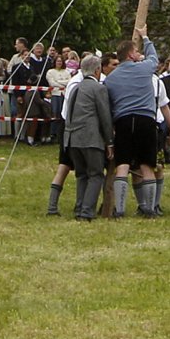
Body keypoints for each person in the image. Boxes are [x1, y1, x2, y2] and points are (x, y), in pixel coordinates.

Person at [104, 37, 165, 220]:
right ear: (131, 54)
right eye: (137, 51)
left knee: (122, 165)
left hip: (122, 121)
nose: (140, 54)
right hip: (145, 121)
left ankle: (120, 210)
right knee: (147, 165)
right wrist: (146, 38)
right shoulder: (143, 68)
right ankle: (150, 209)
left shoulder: (110, 79)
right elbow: (154, 59)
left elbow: (110, 104)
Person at [53, 51, 113, 221]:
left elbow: (68, 114)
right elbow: (105, 117)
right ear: (97, 70)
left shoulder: (74, 87)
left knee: (82, 175)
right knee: (96, 174)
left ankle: (79, 208)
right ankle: (87, 212)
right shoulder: (99, 88)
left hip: (73, 138)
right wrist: (109, 141)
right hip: (91, 138)